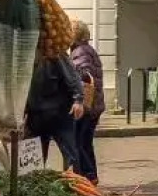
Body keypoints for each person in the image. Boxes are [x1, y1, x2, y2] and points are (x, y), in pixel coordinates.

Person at [25, 47, 86, 169]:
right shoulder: (26, 54)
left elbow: (73, 78)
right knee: (32, 158)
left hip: (59, 113)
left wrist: (78, 100)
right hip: (36, 114)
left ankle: (73, 184)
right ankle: (34, 183)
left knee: (70, 154)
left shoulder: (57, 54)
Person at [68, 19, 105, 182]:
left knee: (78, 142)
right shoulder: (87, 49)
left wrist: (79, 99)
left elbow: (85, 75)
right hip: (94, 105)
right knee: (85, 142)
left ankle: (86, 176)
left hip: (86, 106)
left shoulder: (80, 51)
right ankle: (91, 176)